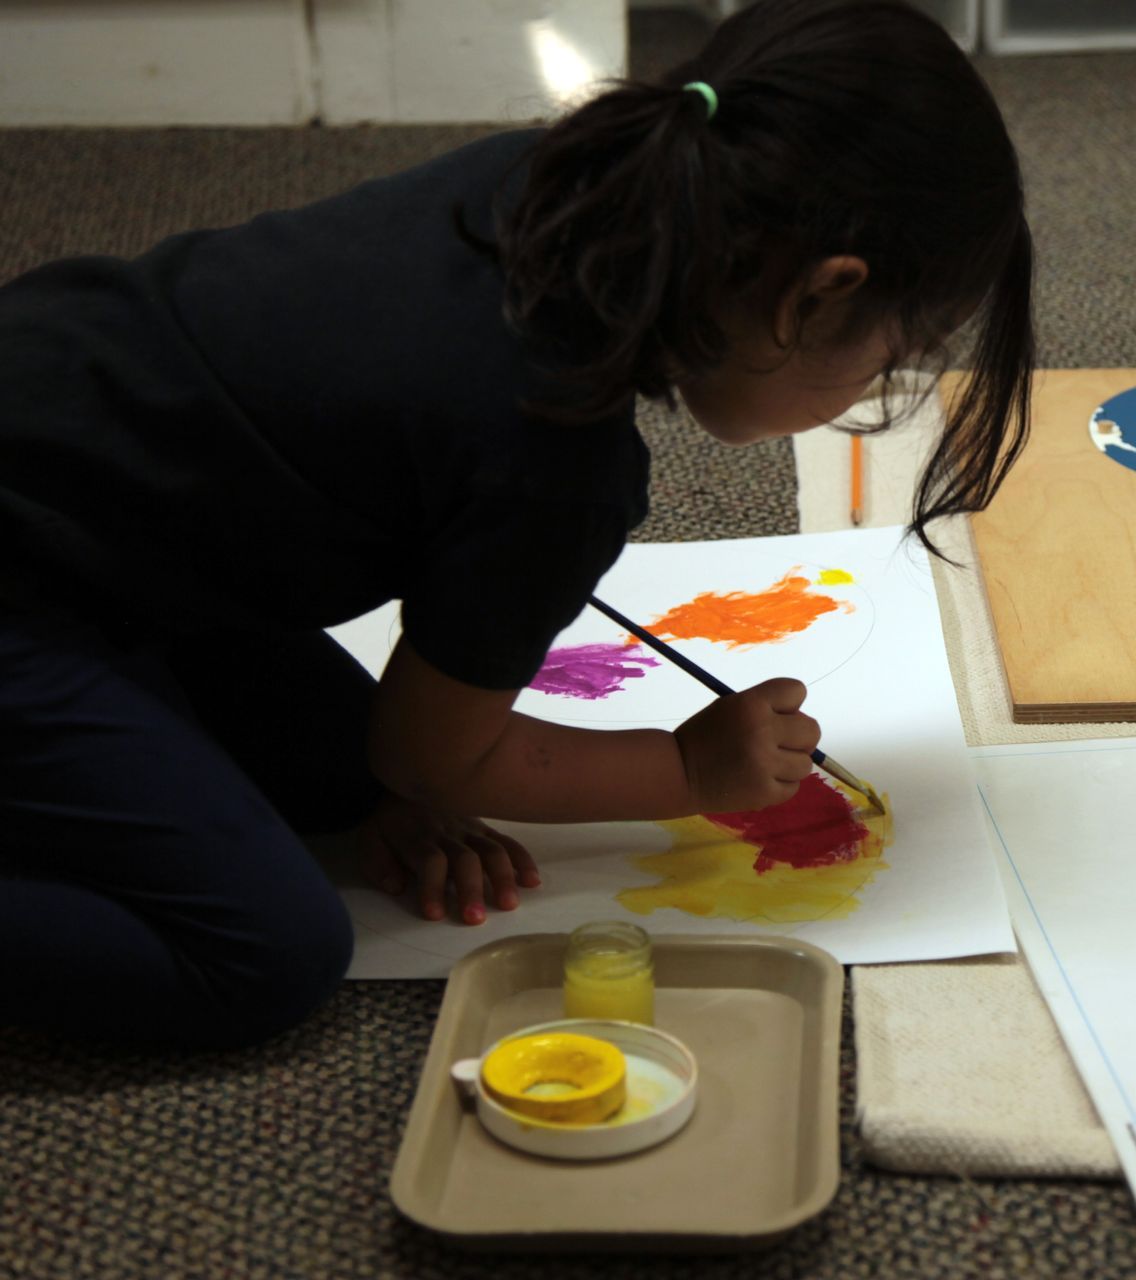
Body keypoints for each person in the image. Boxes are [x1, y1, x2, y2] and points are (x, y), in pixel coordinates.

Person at [0, 0, 1034, 1048]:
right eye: (893, 350)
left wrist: (407, 771)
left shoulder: (552, 181)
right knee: (265, 951)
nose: (879, 381)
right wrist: (691, 771)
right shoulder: (555, 455)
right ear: (820, 294)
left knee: (340, 777)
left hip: (87, 467)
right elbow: (434, 759)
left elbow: (405, 748)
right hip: (33, 584)